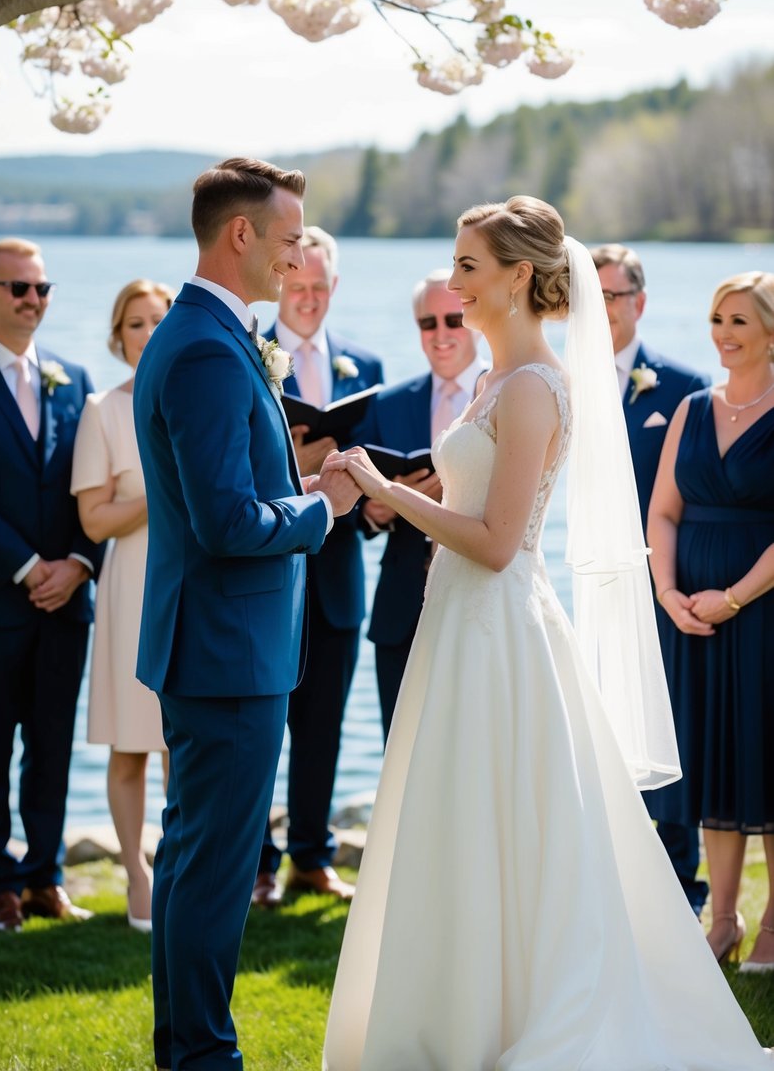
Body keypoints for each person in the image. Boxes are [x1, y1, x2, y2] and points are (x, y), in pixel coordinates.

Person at [321, 198, 769, 1070]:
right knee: (448, 819)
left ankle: (515, 1010)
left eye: (467, 267)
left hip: (496, 631)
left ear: (517, 276)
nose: (453, 285)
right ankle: (449, 1011)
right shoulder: (492, 382)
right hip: (456, 627)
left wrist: (388, 488)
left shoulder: (531, 388)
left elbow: (493, 543)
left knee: (504, 821)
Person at [133, 159, 360, 1071]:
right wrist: (320, 512)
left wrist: (296, 484)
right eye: (290, 235)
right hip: (226, 654)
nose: (297, 253)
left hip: (220, 647)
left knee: (195, 863)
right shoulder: (202, 348)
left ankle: (187, 1049)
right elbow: (226, 525)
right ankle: (202, 1056)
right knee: (213, 872)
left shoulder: (210, 337)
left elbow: (220, 497)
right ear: (241, 236)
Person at [0, 237, 103, 933]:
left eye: (41, 289)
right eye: (18, 289)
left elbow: (92, 484)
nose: (32, 301)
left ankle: (46, 877)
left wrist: (76, 563)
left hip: (66, 597)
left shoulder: (73, 376)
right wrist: (26, 566)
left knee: (53, 742)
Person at [647, 270, 774, 973]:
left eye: (737, 322)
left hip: (760, 608)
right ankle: (721, 920)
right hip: (691, 611)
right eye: (716, 320)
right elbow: (663, 510)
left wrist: (734, 596)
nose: (721, 334)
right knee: (714, 762)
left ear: (769, 332)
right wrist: (667, 591)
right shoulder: (693, 407)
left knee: (764, 753)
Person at [254, 226, 384, 906]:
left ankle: (311, 854)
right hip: (268, 574)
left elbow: (375, 466)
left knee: (322, 727)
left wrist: (378, 505)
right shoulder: (249, 356)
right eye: (295, 285)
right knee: (261, 727)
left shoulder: (363, 366)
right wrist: (298, 470)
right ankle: (257, 863)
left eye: (318, 286)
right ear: (281, 284)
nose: (306, 298)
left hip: (335, 576)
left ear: (333, 287)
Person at [593, 242, 710, 915]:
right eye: (594, 294)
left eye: (615, 295)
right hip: (586, 579)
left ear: (639, 301)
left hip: (660, 577)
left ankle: (678, 883)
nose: (605, 307)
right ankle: (609, 876)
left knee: (666, 725)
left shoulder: (682, 387)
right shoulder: (559, 379)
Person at [71, 279, 174, 932]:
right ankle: (136, 875)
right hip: (130, 588)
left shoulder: (191, 403)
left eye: (158, 321)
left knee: (179, 742)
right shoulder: (101, 410)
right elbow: (93, 520)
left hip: (187, 587)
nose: (147, 333)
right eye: (135, 324)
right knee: (130, 746)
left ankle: (179, 872)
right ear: (119, 336)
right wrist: (161, 495)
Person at [359, 269, 484, 741]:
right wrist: (375, 511)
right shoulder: (387, 404)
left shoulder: (503, 392)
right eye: (427, 323)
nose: (441, 334)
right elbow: (362, 512)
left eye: (453, 319)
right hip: (401, 607)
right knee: (403, 752)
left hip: (479, 598)